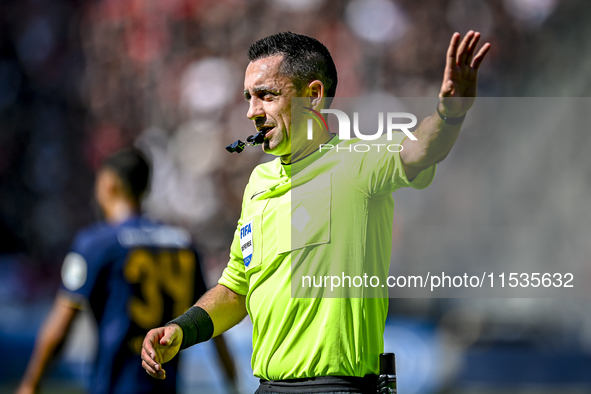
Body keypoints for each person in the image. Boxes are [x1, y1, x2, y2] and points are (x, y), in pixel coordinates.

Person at [141, 31, 490, 393]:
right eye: (249, 97)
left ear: (313, 96)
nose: (252, 112)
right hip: (268, 387)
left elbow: (418, 153)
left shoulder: (357, 164)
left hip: (336, 388)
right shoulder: (258, 183)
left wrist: (449, 113)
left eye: (267, 95)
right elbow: (235, 290)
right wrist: (182, 329)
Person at [17, 148, 238, 394]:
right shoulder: (182, 242)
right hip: (166, 385)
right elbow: (211, 317)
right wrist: (232, 381)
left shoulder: (96, 243)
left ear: (109, 183)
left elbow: (60, 327)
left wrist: (30, 384)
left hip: (117, 385)